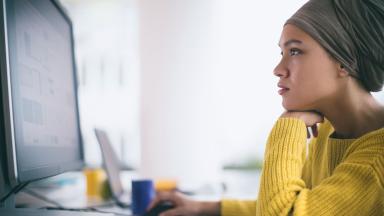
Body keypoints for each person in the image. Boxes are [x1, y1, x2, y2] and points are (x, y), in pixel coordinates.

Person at [147, 0, 384, 215]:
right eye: (282, 52)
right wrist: (202, 208)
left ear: (344, 60)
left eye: (295, 51)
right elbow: (294, 204)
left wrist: (288, 125)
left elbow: (282, 211)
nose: (278, 69)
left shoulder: (377, 159)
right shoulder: (329, 131)